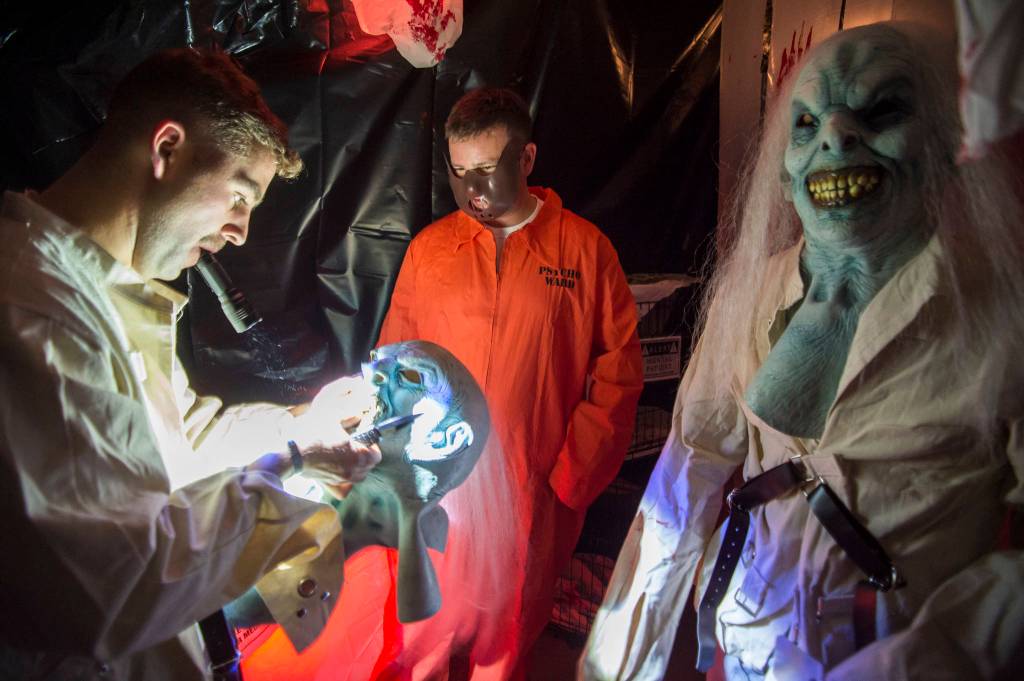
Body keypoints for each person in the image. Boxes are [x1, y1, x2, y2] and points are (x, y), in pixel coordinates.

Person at [580, 22, 1024, 681]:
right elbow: (684, 482)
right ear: (786, 172)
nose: (836, 138)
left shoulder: (1002, 318)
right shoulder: (750, 299)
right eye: (807, 121)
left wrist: (920, 661)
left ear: (938, 145)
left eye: (883, 111)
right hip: (740, 648)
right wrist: (613, 666)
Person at [0, 48, 379, 680]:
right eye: (239, 195)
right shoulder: (37, 310)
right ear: (167, 148)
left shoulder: (104, 292)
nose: (241, 232)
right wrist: (287, 465)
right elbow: (113, 585)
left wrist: (302, 425)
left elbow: (186, 443)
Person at [241, 86, 642, 680]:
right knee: (422, 624)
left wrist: (572, 474)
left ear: (526, 159)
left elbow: (618, 370)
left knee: (508, 631)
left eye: (486, 169)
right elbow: (395, 360)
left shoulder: (584, 252)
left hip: (533, 483)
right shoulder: (433, 250)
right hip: (441, 480)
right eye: (458, 172)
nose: (472, 188)